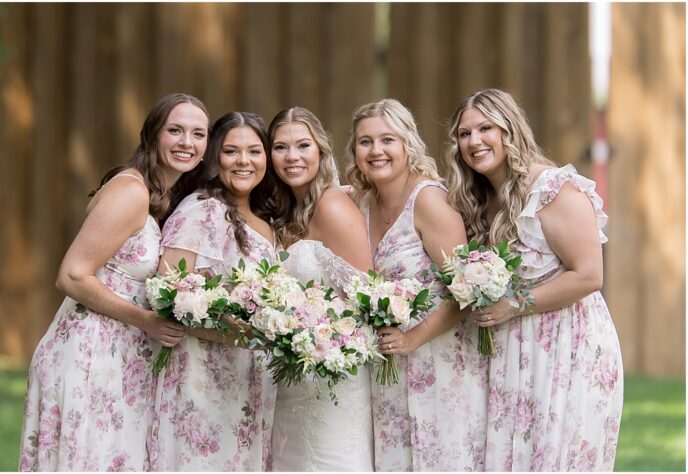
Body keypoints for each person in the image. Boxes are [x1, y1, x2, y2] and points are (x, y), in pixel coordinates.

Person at [19, 93, 208, 471]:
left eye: (198, 134)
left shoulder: (158, 196)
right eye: (176, 130)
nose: (187, 142)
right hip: (90, 353)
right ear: (154, 134)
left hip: (117, 356)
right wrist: (147, 321)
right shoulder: (131, 191)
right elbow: (72, 275)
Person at [445, 88, 622, 471]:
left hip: (566, 348)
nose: (474, 141)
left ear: (510, 129)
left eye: (485, 128)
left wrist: (512, 305)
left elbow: (589, 275)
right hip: (511, 353)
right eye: (464, 134)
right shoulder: (478, 201)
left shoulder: (554, 190)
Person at [346, 98, 486, 470]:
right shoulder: (358, 203)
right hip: (385, 367)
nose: (376, 151)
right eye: (365, 142)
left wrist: (413, 338)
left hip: (438, 362)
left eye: (387, 140)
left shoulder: (429, 200)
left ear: (408, 143)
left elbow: (467, 291)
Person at [148, 111, 277, 471]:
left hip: (253, 378)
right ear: (213, 156)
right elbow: (167, 296)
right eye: (231, 151)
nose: (244, 161)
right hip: (201, 378)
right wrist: (240, 333)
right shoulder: (200, 210)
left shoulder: (266, 222)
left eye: (254, 151)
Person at [265, 106, 376, 471]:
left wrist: (321, 341)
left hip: (334, 378)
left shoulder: (333, 208)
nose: (292, 157)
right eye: (280, 147)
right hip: (291, 376)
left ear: (321, 151)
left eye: (303, 145)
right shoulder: (283, 212)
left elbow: (367, 300)